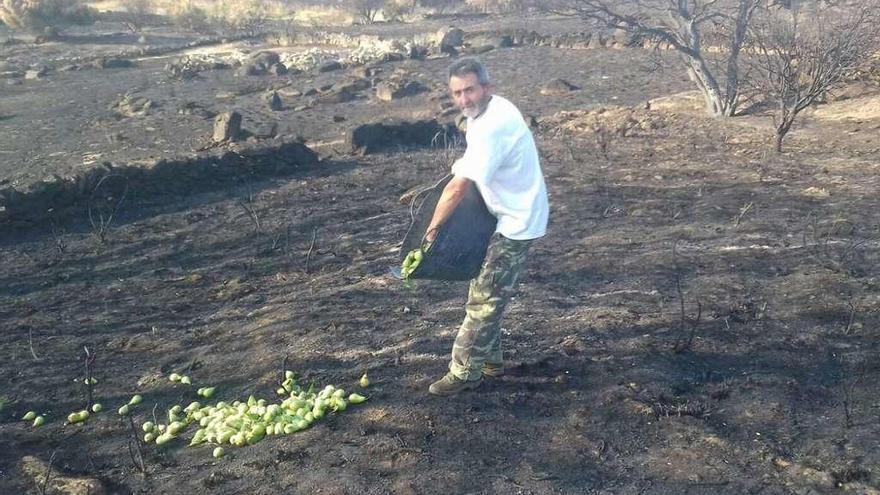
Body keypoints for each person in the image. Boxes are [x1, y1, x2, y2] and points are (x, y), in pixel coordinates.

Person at [424, 57, 549, 396]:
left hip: (516, 219)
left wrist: (433, 230)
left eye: (470, 90)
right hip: (503, 210)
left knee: (485, 299)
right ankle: (490, 360)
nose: (463, 100)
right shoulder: (492, 109)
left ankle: (465, 373)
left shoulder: (493, 126)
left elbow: (458, 187)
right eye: (456, 93)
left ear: (487, 88)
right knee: (487, 286)